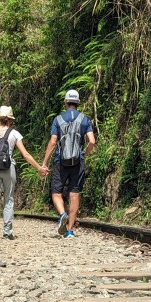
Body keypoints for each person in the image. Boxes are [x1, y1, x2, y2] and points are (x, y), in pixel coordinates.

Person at [0, 106, 47, 241]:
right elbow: (25, 155)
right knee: (8, 199)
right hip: (8, 168)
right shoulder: (14, 133)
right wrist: (39, 168)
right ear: (10, 120)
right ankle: (7, 231)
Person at [42, 89, 96, 237]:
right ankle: (70, 231)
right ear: (78, 102)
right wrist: (85, 153)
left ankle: (62, 214)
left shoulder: (58, 119)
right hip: (78, 162)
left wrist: (45, 162)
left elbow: (53, 142)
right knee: (74, 194)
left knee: (56, 192)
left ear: (66, 102)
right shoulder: (85, 119)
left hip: (61, 161)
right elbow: (92, 141)